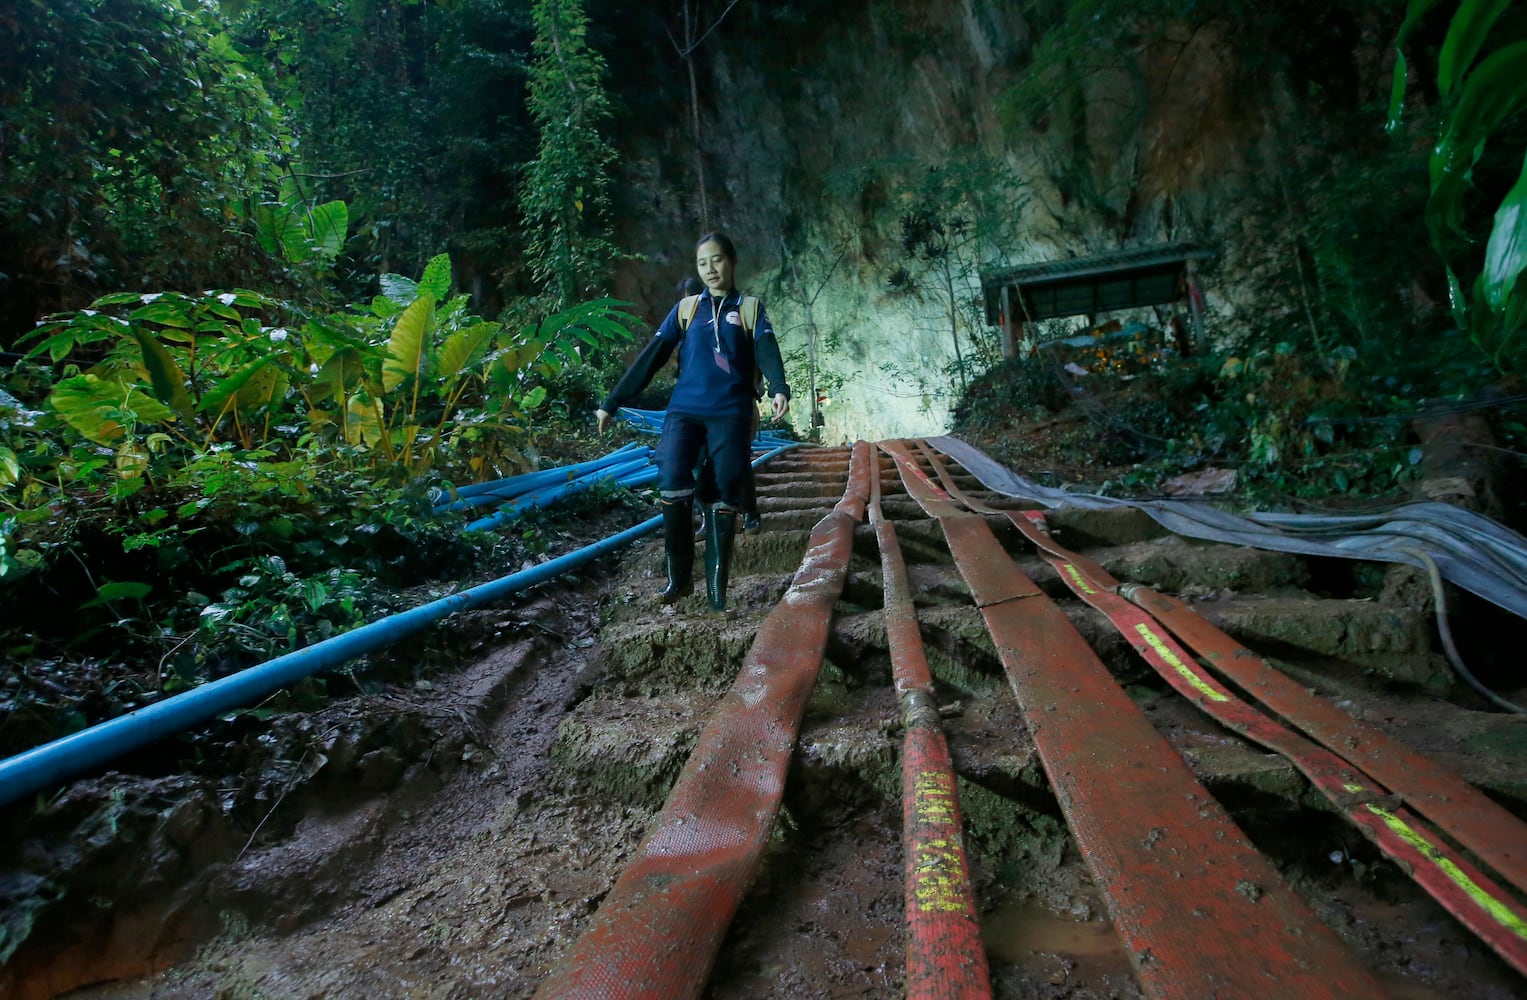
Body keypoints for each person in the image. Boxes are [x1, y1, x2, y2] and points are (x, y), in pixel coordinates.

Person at [596, 233, 790, 612]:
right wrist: (613, 401)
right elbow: (653, 355)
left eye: (717, 260)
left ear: (731, 262)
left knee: (724, 491)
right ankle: (679, 580)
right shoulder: (686, 309)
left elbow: (767, 348)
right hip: (684, 409)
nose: (711, 269)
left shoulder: (749, 308)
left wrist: (779, 387)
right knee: (671, 476)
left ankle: (717, 597)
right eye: (703, 263)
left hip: (730, 411)